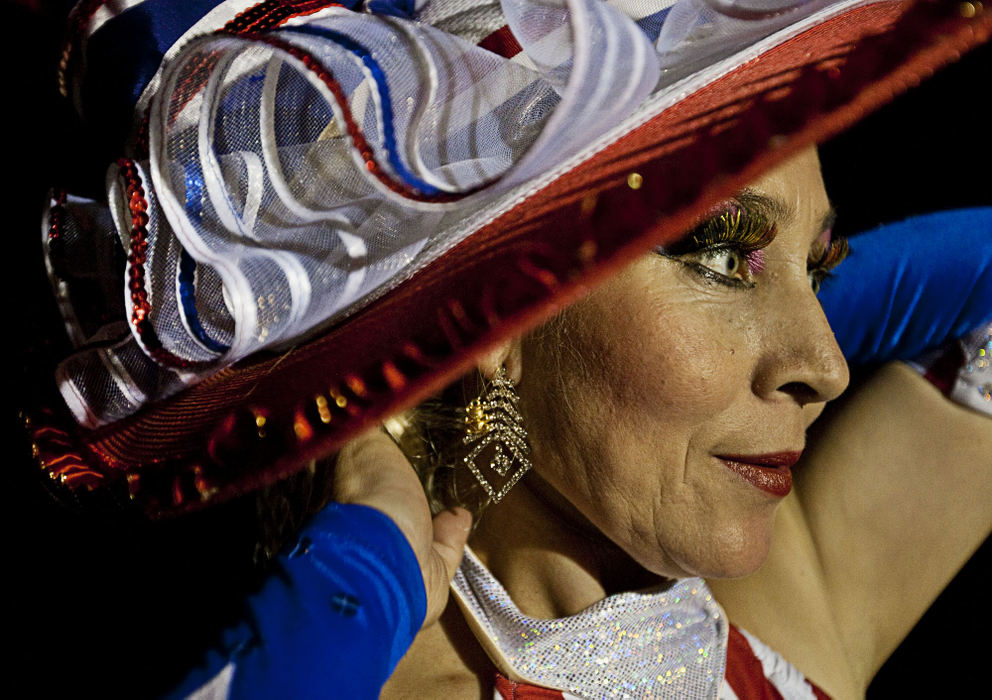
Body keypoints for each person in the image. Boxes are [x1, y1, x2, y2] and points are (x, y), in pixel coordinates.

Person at [26, 0, 991, 697]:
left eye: (818, 271)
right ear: (502, 322)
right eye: (722, 254)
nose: (825, 369)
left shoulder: (786, 609)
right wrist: (364, 567)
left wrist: (769, 316)